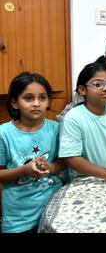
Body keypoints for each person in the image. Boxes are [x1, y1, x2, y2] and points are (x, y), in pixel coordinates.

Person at [0, 72, 66, 233]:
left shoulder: (57, 129)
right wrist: (25, 170)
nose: (36, 103)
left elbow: (65, 162)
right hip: (19, 218)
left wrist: (51, 167)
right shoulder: (4, 133)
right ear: (15, 103)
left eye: (42, 98)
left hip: (55, 209)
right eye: (28, 98)